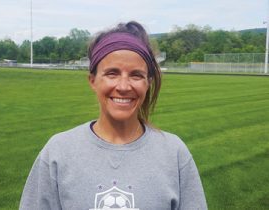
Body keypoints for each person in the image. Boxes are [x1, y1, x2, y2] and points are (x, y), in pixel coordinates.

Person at [19, 21, 207, 210]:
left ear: (148, 82)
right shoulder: (58, 152)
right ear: (93, 80)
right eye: (112, 73)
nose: (124, 87)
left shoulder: (174, 153)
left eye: (136, 75)